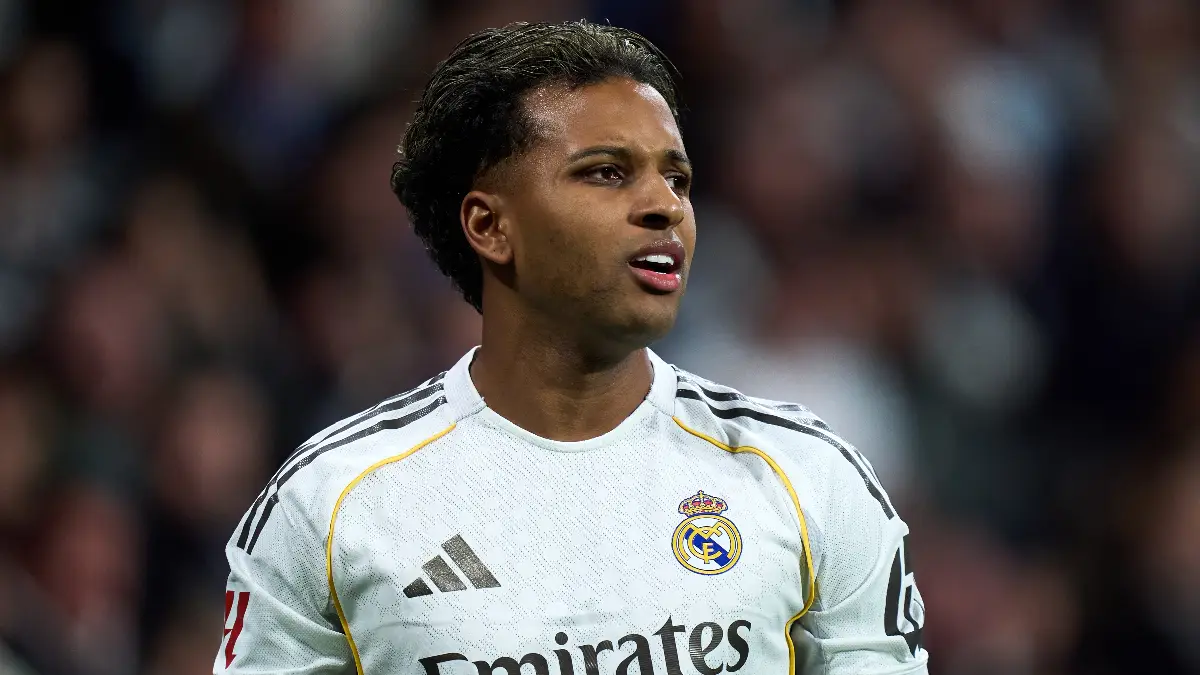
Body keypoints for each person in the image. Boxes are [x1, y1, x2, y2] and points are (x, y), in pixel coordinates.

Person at [216, 20, 928, 675]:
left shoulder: (808, 478)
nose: (665, 206)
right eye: (607, 172)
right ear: (490, 226)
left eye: (676, 177)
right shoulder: (331, 505)